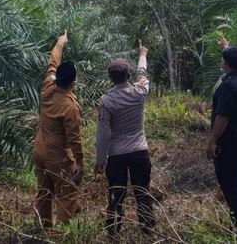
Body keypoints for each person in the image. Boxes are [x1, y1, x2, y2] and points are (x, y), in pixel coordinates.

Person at [94, 41, 155, 236]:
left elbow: (103, 134)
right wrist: (142, 54)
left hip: (117, 155)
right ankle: (147, 231)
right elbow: (143, 75)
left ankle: (113, 232)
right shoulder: (139, 93)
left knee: (116, 195)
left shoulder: (106, 101)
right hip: (139, 151)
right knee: (142, 192)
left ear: (110, 78)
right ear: (128, 75)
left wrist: (100, 161)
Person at [33, 30, 84, 228]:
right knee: (67, 193)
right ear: (73, 83)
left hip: (39, 150)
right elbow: (74, 139)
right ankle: (62, 235)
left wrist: (60, 42)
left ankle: (41, 229)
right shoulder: (69, 107)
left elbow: (52, 62)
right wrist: (79, 163)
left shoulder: (48, 86)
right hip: (58, 157)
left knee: (44, 192)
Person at [206, 37, 237, 231]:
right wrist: (227, 48)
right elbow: (233, 60)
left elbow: (222, 118)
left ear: (226, 63)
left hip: (228, 142)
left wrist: (212, 142)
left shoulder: (228, 87)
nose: (220, 62)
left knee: (230, 185)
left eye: (223, 59)